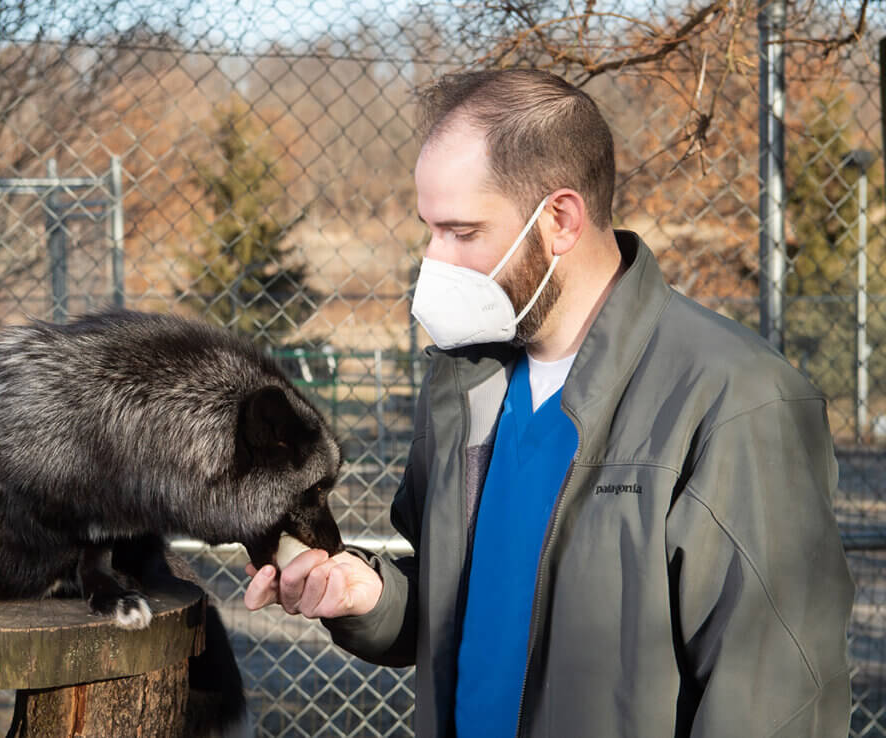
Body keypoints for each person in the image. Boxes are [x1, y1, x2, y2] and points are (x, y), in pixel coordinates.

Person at [244, 68, 855, 737]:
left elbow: (777, 700)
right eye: (429, 230)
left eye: (462, 232)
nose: (433, 263)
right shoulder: (465, 382)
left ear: (560, 220)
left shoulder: (735, 398)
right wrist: (369, 595)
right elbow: (466, 600)